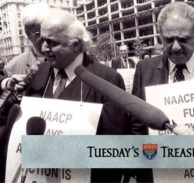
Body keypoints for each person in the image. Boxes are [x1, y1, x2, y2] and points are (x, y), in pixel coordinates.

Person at [130, 2, 194, 182]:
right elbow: (137, 128)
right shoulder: (144, 69)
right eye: (169, 40)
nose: (176, 47)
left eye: (183, 39)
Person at [25, 8, 131, 182]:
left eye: (51, 42)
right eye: (42, 40)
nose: (43, 48)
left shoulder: (107, 79)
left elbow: (115, 149)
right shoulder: (39, 73)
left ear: (75, 44)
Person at [4, 3, 49, 77]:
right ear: (28, 34)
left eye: (50, 32)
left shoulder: (65, 57)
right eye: (40, 34)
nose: (47, 38)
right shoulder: (12, 68)